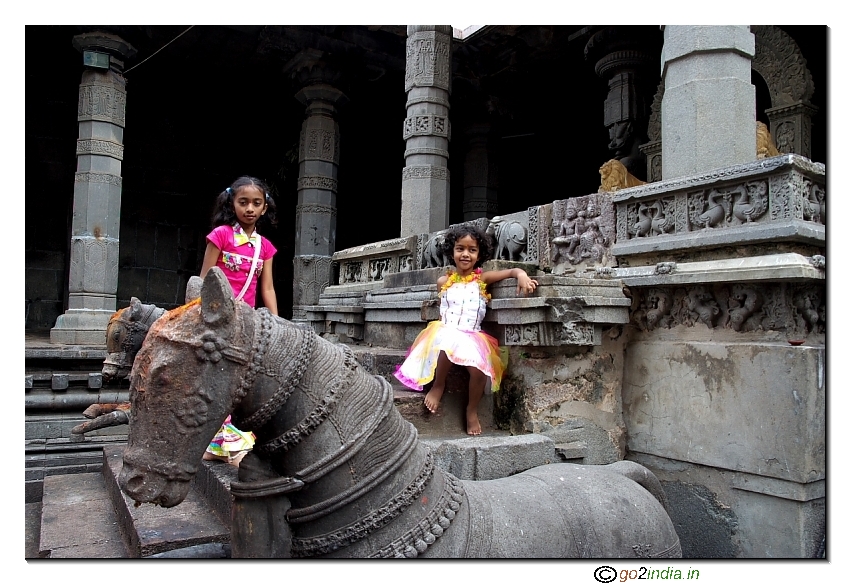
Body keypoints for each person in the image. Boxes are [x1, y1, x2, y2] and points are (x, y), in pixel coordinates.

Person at [394, 224, 538, 435]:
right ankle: (438, 385)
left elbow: (512, 271)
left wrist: (522, 276)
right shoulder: (444, 281)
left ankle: (471, 409)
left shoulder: (482, 280)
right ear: (452, 251)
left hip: (472, 336)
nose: (465, 254)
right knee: (445, 342)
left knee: (480, 369)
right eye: (460, 248)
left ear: (479, 255)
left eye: (472, 250)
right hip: (446, 331)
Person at [199, 175, 279, 466]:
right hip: (218, 319)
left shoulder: (265, 247)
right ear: (232, 203)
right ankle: (220, 443)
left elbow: (267, 288)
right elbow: (206, 277)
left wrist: (275, 322)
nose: (249, 208)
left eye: (256, 203)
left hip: (247, 322)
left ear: (264, 208)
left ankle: (228, 442)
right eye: (243, 202)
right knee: (218, 379)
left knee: (241, 380)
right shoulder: (220, 236)